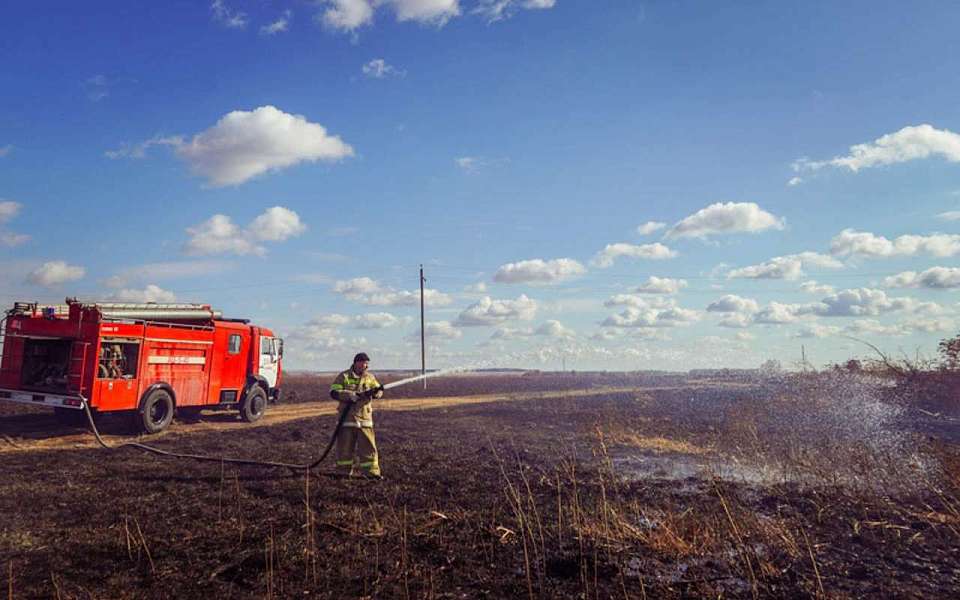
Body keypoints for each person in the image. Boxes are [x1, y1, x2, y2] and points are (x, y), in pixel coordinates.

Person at [329, 352, 384, 479]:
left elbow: (379, 391)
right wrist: (349, 395)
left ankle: (372, 473)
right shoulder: (344, 376)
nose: (363, 365)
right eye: (361, 363)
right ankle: (343, 473)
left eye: (366, 363)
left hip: (365, 420)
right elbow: (333, 392)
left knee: (368, 449)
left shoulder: (370, 378)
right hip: (347, 419)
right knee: (344, 449)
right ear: (355, 363)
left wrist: (376, 393)